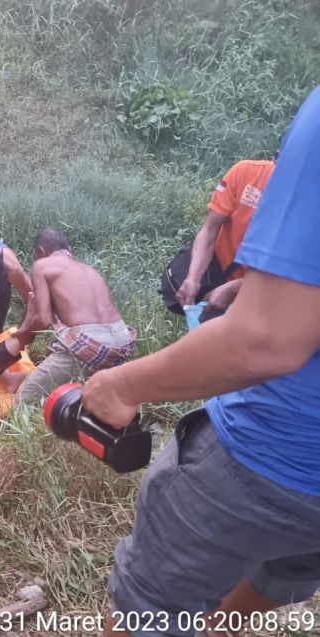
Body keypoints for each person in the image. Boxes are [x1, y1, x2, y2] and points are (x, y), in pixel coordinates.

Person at [83, 85, 320, 637]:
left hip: (273, 454)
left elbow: (263, 341)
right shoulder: (241, 177)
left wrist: (119, 388)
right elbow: (215, 233)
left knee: (147, 609)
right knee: (284, 570)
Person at [12, 229, 136, 405]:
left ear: (40, 252)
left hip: (90, 343)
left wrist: (21, 333)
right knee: (65, 366)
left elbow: (43, 320)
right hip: (123, 339)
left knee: (23, 400)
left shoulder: (42, 265)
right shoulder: (87, 268)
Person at [164, 157, 275, 318]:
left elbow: (297, 276)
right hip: (217, 273)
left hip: (262, 296)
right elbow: (210, 228)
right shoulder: (246, 172)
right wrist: (194, 277)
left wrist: (236, 287)